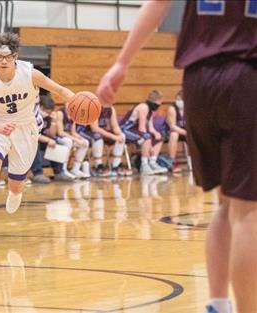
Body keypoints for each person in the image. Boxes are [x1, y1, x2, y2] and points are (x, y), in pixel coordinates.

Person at [96, 1, 257, 312]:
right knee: (248, 211)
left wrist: (122, 62)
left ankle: (218, 303)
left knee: (225, 203)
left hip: (197, 81)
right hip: (245, 74)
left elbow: (156, 3)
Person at [0, 32, 75, 239]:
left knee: (16, 184)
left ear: (15, 57)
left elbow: (59, 90)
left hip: (26, 127)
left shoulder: (30, 73)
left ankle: (15, 191)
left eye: (8, 56)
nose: (4, 61)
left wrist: (76, 99)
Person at [119, 90, 168, 175]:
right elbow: (142, 128)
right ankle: (144, 165)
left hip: (135, 132)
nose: (159, 105)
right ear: (157, 101)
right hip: (125, 130)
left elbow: (150, 127)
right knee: (146, 136)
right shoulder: (143, 107)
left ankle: (152, 162)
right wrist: (149, 147)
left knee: (159, 137)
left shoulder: (150, 111)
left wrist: (156, 133)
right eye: (160, 102)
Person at [77, 105, 132, 177]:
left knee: (122, 136)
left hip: (103, 132)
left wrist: (119, 134)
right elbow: (95, 128)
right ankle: (98, 166)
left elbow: (115, 126)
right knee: (97, 137)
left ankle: (115, 166)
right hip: (87, 132)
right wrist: (113, 136)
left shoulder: (111, 109)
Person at [31, 95, 75, 183]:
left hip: (43, 139)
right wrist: (48, 140)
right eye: (46, 111)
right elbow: (33, 134)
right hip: (31, 139)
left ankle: (59, 172)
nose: (47, 114)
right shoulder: (33, 116)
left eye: (49, 112)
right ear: (41, 107)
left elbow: (52, 134)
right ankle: (37, 173)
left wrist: (54, 122)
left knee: (56, 143)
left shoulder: (49, 116)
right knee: (35, 144)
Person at [55, 104, 90, 179]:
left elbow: (73, 132)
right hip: (58, 138)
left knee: (85, 143)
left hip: (69, 138)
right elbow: (60, 132)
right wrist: (76, 139)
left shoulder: (73, 114)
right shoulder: (60, 113)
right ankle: (63, 169)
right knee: (68, 142)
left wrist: (81, 139)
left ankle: (76, 169)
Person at [163, 90, 186, 173]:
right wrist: (186, 133)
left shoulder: (190, 109)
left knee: (196, 136)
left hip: (183, 131)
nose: (179, 101)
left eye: (181, 99)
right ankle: (171, 161)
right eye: (177, 99)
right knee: (174, 135)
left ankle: (197, 161)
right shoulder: (172, 109)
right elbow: (172, 126)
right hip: (170, 132)